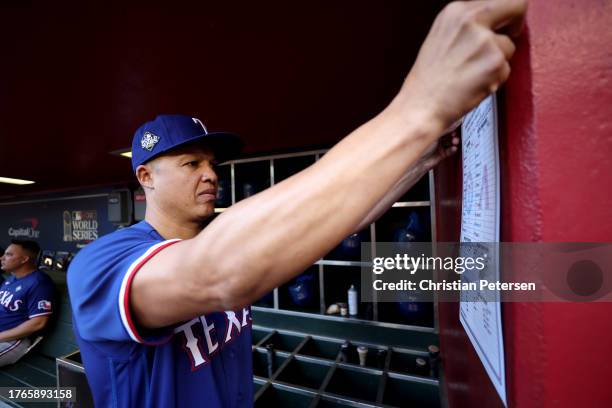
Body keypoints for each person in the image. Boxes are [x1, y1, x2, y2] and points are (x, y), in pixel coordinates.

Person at [67, 1, 527, 406]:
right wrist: (418, 108)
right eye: (190, 163)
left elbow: (342, 222)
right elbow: (221, 272)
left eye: (212, 163)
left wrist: (418, 159)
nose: (210, 174)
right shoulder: (101, 264)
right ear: (145, 176)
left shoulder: (219, 239)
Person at [0, 240, 55, 367]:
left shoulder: (39, 283)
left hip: (13, 341)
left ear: (24, 259)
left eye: (8, 255)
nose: (2, 258)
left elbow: (38, 323)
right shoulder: (12, 278)